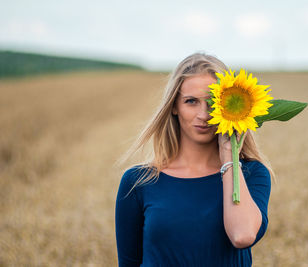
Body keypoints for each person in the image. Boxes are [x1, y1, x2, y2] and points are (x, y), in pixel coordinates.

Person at [115, 53, 273, 266]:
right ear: (174, 106)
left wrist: (229, 157)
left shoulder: (251, 174)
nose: (204, 114)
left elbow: (242, 236)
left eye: (213, 103)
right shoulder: (139, 182)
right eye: (191, 102)